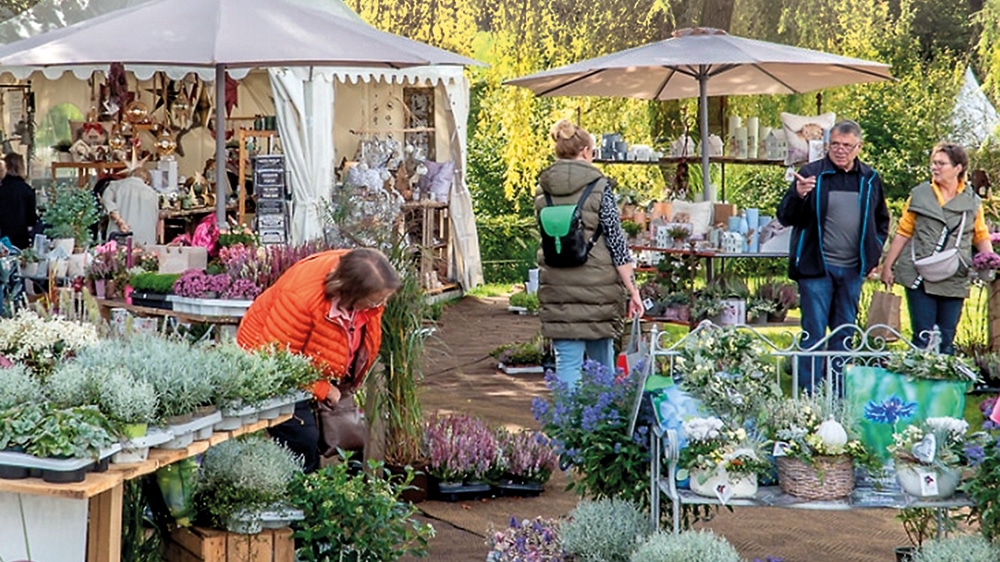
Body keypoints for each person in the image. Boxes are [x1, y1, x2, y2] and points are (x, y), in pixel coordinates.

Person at [236, 248, 400, 472]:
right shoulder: (301, 297)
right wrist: (322, 389)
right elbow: (277, 360)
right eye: (375, 302)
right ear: (350, 293)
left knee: (350, 438)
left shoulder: (370, 282)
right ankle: (301, 495)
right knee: (302, 441)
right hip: (273, 366)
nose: (381, 305)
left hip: (317, 360)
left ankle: (350, 497)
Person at [777, 119, 890, 393]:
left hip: (852, 270)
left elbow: (881, 221)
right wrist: (798, 194)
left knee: (844, 334)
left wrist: (872, 253)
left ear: (858, 147)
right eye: (835, 145)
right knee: (814, 334)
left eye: (847, 146)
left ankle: (837, 395)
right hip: (817, 269)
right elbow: (785, 216)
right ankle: (809, 397)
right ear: (828, 145)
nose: (840, 151)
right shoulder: (812, 173)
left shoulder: (869, 178)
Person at [535, 119, 643, 387]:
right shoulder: (599, 186)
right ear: (584, 151)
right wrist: (633, 290)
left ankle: (567, 426)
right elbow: (616, 241)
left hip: (558, 285)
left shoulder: (542, 189)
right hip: (598, 288)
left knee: (567, 364)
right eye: (592, 152)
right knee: (601, 364)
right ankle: (601, 424)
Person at [880, 143, 991, 354]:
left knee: (946, 338)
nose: (935, 167)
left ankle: (944, 385)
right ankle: (921, 385)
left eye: (941, 163)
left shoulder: (973, 202)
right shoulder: (919, 195)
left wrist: (990, 260)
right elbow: (903, 232)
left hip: (954, 276)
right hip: (919, 274)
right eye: (934, 163)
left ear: (958, 168)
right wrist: (887, 266)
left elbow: (980, 234)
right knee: (923, 337)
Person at [101, 167, 160, 246]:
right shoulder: (153, 194)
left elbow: (106, 201)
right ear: (147, 181)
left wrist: (119, 221)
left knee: (118, 256)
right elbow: (155, 219)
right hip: (145, 239)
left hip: (119, 235)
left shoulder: (115, 186)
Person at [0, 153, 38, 250]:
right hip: (21, 236)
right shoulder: (27, 190)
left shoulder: (2, 189)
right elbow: (31, 219)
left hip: (2, 236)